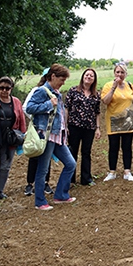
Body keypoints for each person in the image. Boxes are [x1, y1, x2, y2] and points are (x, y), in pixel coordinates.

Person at [25, 64, 78, 211]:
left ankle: (61, 195)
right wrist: (48, 104)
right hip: (47, 136)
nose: (63, 82)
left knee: (70, 163)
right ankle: (40, 201)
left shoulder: (57, 92)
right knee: (42, 169)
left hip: (57, 136)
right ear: (52, 76)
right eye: (62, 79)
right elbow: (29, 108)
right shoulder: (42, 91)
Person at [102, 63, 133, 181]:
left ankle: (127, 172)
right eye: (118, 72)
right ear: (114, 73)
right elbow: (105, 101)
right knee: (113, 146)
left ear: (126, 74)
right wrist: (113, 87)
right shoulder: (108, 85)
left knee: (127, 146)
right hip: (114, 119)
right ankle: (112, 172)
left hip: (128, 119)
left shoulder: (129, 85)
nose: (120, 74)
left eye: (122, 72)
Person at [65, 69, 102, 185]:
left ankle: (86, 178)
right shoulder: (73, 91)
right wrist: (65, 126)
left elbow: (97, 112)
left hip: (89, 128)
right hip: (74, 126)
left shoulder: (96, 95)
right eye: (87, 75)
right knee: (72, 152)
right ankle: (70, 179)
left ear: (94, 79)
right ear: (83, 77)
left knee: (86, 152)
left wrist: (98, 128)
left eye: (91, 76)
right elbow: (66, 108)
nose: (89, 77)